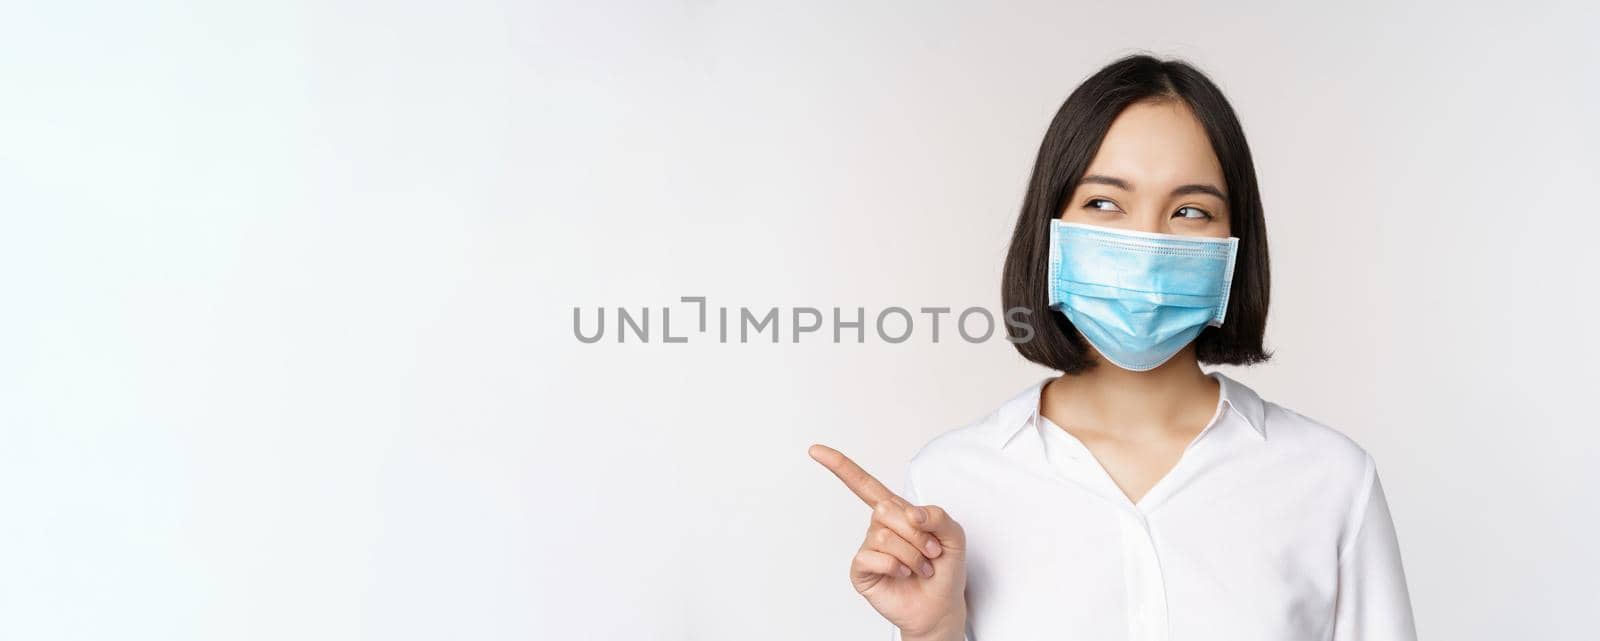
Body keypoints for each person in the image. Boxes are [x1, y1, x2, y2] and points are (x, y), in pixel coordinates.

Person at [809, 55, 1416, 641]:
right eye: (1104, 203)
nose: (1147, 244)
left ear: (1235, 243)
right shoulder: (950, 483)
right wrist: (932, 634)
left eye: (1189, 210)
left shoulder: (1331, 480)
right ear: (1051, 227)